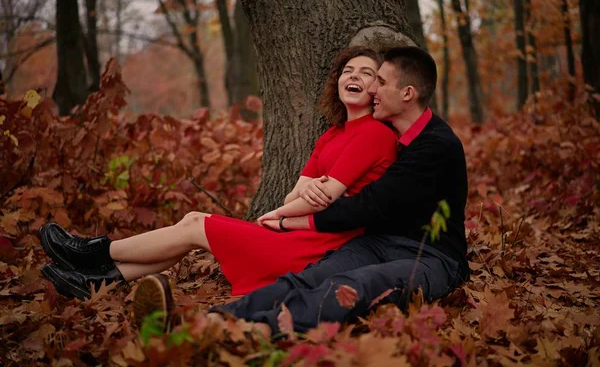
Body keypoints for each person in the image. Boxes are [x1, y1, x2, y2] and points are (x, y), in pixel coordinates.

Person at [133, 46, 470, 335]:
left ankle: (256, 331)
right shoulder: (393, 137)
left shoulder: (437, 146)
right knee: (308, 279)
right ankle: (207, 323)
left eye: (380, 82)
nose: (373, 90)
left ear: (407, 93)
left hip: (431, 258)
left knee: (352, 287)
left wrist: (288, 222)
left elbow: (369, 206)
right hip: (377, 243)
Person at [38, 46, 398, 303]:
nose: (354, 77)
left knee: (195, 224)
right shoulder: (332, 136)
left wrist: (283, 210)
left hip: (317, 248)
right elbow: (295, 197)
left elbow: (323, 198)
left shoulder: (375, 134)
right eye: (348, 71)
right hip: (294, 234)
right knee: (191, 231)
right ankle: (96, 280)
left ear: (376, 89)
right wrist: (299, 200)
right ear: (337, 82)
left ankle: (92, 251)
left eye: (366, 74)